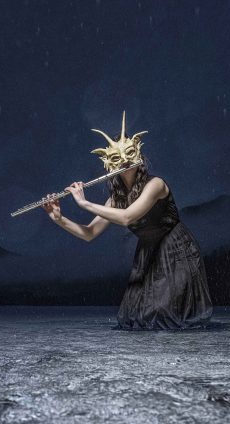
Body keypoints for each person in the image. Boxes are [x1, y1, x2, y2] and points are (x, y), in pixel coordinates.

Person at [42, 111, 213, 330]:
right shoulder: (116, 198)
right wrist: (58, 218)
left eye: (128, 153)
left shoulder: (156, 185)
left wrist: (84, 203)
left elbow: (127, 217)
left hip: (175, 250)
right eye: (116, 158)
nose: (123, 160)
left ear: (137, 152)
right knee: (134, 317)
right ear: (108, 163)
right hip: (147, 253)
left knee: (163, 315)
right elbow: (89, 233)